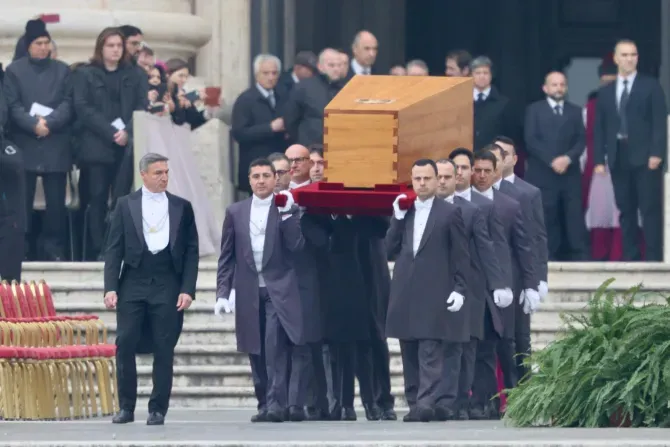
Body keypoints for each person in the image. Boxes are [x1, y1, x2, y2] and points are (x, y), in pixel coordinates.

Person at [103, 153, 199, 425]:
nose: (164, 177)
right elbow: (113, 249)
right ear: (143, 174)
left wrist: (187, 289)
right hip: (133, 280)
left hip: (167, 281)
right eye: (158, 172)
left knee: (164, 346)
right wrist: (110, 287)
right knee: (125, 342)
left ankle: (158, 408)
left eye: (166, 172)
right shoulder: (125, 204)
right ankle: (126, 407)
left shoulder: (182, 206)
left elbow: (192, 251)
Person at [215, 158, 304, 423]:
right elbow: (226, 256)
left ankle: (277, 404)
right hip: (248, 291)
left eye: (266, 175)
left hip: (279, 290)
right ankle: (264, 401)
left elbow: (297, 247)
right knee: (255, 348)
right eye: (256, 176)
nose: (261, 181)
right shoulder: (236, 211)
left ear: (275, 178)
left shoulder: (287, 207)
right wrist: (222, 292)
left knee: (274, 345)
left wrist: (288, 215)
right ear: (250, 180)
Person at [385, 159, 470, 422]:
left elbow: (461, 255)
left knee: (430, 350)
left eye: (427, 179)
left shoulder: (449, 212)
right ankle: (415, 402)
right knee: (408, 348)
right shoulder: (404, 209)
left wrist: (460, 288)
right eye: (417, 179)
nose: (422, 183)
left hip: (435, 289)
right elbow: (389, 249)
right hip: (405, 290)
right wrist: (397, 218)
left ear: (437, 180)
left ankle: (426, 402)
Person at [434, 158, 512, 420]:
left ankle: (460, 401)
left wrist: (499, 284)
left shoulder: (474, 210)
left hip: (469, 287)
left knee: (466, 348)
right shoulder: (422, 208)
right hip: (434, 286)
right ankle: (437, 399)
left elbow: (488, 249)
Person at [593, 39, 667, 261]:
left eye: (633, 55)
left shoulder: (651, 85)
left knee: (649, 208)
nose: (629, 59)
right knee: (625, 209)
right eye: (624, 55)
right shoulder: (606, 92)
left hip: (645, 158)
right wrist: (598, 159)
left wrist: (657, 153)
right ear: (615, 59)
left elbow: (659, 123)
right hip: (618, 156)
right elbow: (600, 128)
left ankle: (654, 258)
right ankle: (630, 257)